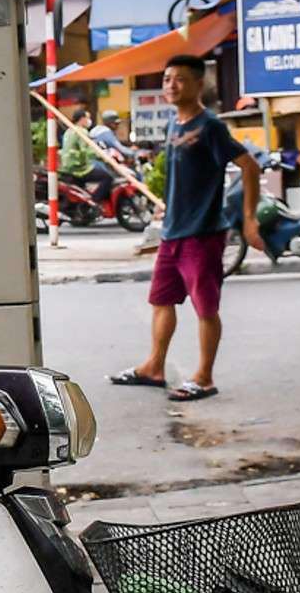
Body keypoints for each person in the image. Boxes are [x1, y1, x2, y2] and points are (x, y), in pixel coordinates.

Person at [109, 54, 261, 402]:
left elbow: (249, 167)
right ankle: (154, 367)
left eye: (179, 79)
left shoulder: (210, 126)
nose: (171, 85)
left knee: (205, 308)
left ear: (198, 84)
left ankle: (204, 378)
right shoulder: (174, 125)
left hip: (203, 234)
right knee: (161, 301)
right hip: (173, 232)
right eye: (166, 79)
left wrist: (249, 219)